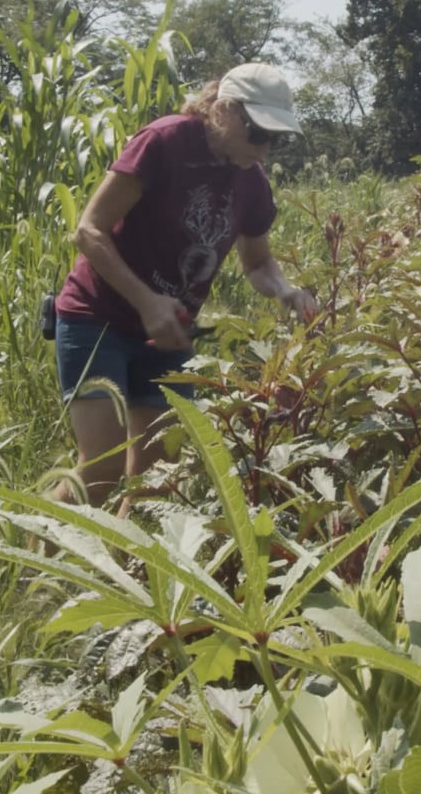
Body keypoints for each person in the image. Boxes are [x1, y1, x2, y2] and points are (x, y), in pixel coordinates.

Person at [52, 62, 320, 509]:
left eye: (276, 138)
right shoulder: (164, 142)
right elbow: (89, 231)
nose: (265, 148)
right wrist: (147, 303)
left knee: (157, 482)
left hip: (168, 335)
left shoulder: (251, 181)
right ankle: (34, 547)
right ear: (225, 109)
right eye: (258, 133)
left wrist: (285, 290)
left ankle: (119, 554)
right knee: (101, 469)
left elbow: (258, 262)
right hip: (97, 320)